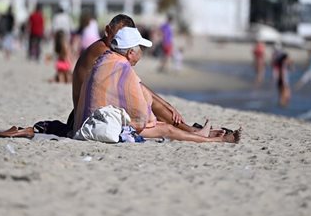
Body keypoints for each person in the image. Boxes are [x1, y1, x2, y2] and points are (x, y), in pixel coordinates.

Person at [74, 26, 240, 143]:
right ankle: (213, 140)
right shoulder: (122, 68)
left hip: (84, 121)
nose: (142, 55)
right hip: (99, 125)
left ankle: (201, 135)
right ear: (131, 53)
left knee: (161, 125)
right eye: (141, 50)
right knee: (165, 129)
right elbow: (139, 113)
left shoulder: (106, 59)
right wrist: (153, 121)